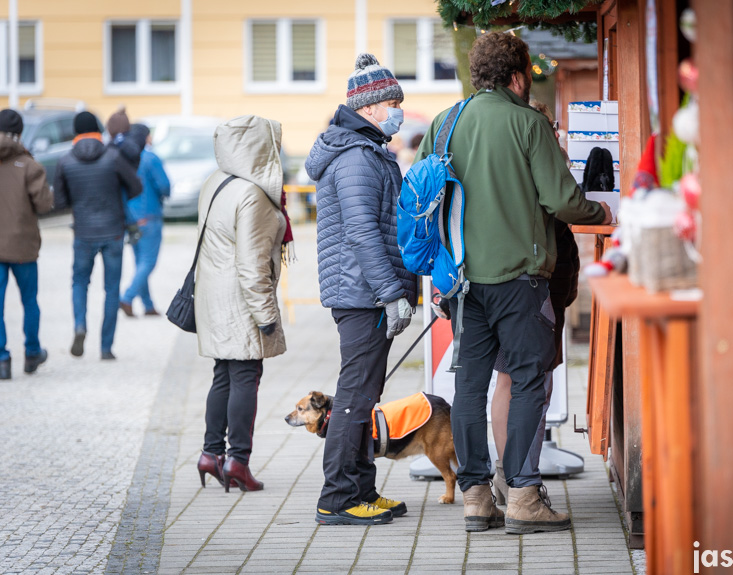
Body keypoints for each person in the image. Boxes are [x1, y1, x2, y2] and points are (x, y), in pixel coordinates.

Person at [414, 32, 611, 534]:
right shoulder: (527, 123)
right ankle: (523, 495)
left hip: (460, 282)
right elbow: (564, 202)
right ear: (519, 76)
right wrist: (602, 210)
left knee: (469, 386)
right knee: (528, 381)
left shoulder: (444, 122)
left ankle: (476, 496)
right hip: (519, 280)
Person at [305, 53, 417, 526]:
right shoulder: (355, 158)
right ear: (368, 108)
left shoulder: (367, 150)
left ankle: (362, 489)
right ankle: (337, 499)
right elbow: (362, 233)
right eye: (392, 102)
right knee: (354, 397)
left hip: (364, 290)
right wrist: (391, 291)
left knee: (365, 394)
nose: (398, 110)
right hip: (363, 294)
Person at [490, 100, 581, 504]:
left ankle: (505, 479)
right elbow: (563, 204)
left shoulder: (499, 155)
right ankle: (519, 484)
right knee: (529, 383)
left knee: (508, 380)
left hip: (508, 282)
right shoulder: (539, 152)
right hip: (534, 284)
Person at [194, 115, 287, 493]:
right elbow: (252, 263)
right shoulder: (253, 195)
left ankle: (211, 454)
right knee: (246, 375)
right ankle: (238, 461)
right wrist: (267, 316)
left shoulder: (215, 181)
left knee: (223, 374)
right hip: (242, 299)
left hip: (213, 294)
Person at [54, 111, 142, 360]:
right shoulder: (113, 157)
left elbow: (59, 202)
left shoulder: (65, 161)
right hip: (113, 232)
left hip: (83, 232)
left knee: (80, 282)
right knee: (112, 289)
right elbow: (136, 186)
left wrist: (78, 201)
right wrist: (117, 194)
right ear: (97, 129)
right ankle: (106, 348)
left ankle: (80, 325)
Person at [0, 109, 53, 379]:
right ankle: (32, 353)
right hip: (23, 246)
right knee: (29, 301)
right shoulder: (29, 165)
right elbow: (44, 205)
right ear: (19, 132)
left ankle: (1, 360)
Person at [119, 124, 171, 317]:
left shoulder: (123, 157)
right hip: (150, 216)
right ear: (146, 137)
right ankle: (126, 297)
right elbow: (165, 186)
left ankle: (148, 305)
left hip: (131, 217)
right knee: (148, 262)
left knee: (141, 262)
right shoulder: (151, 158)